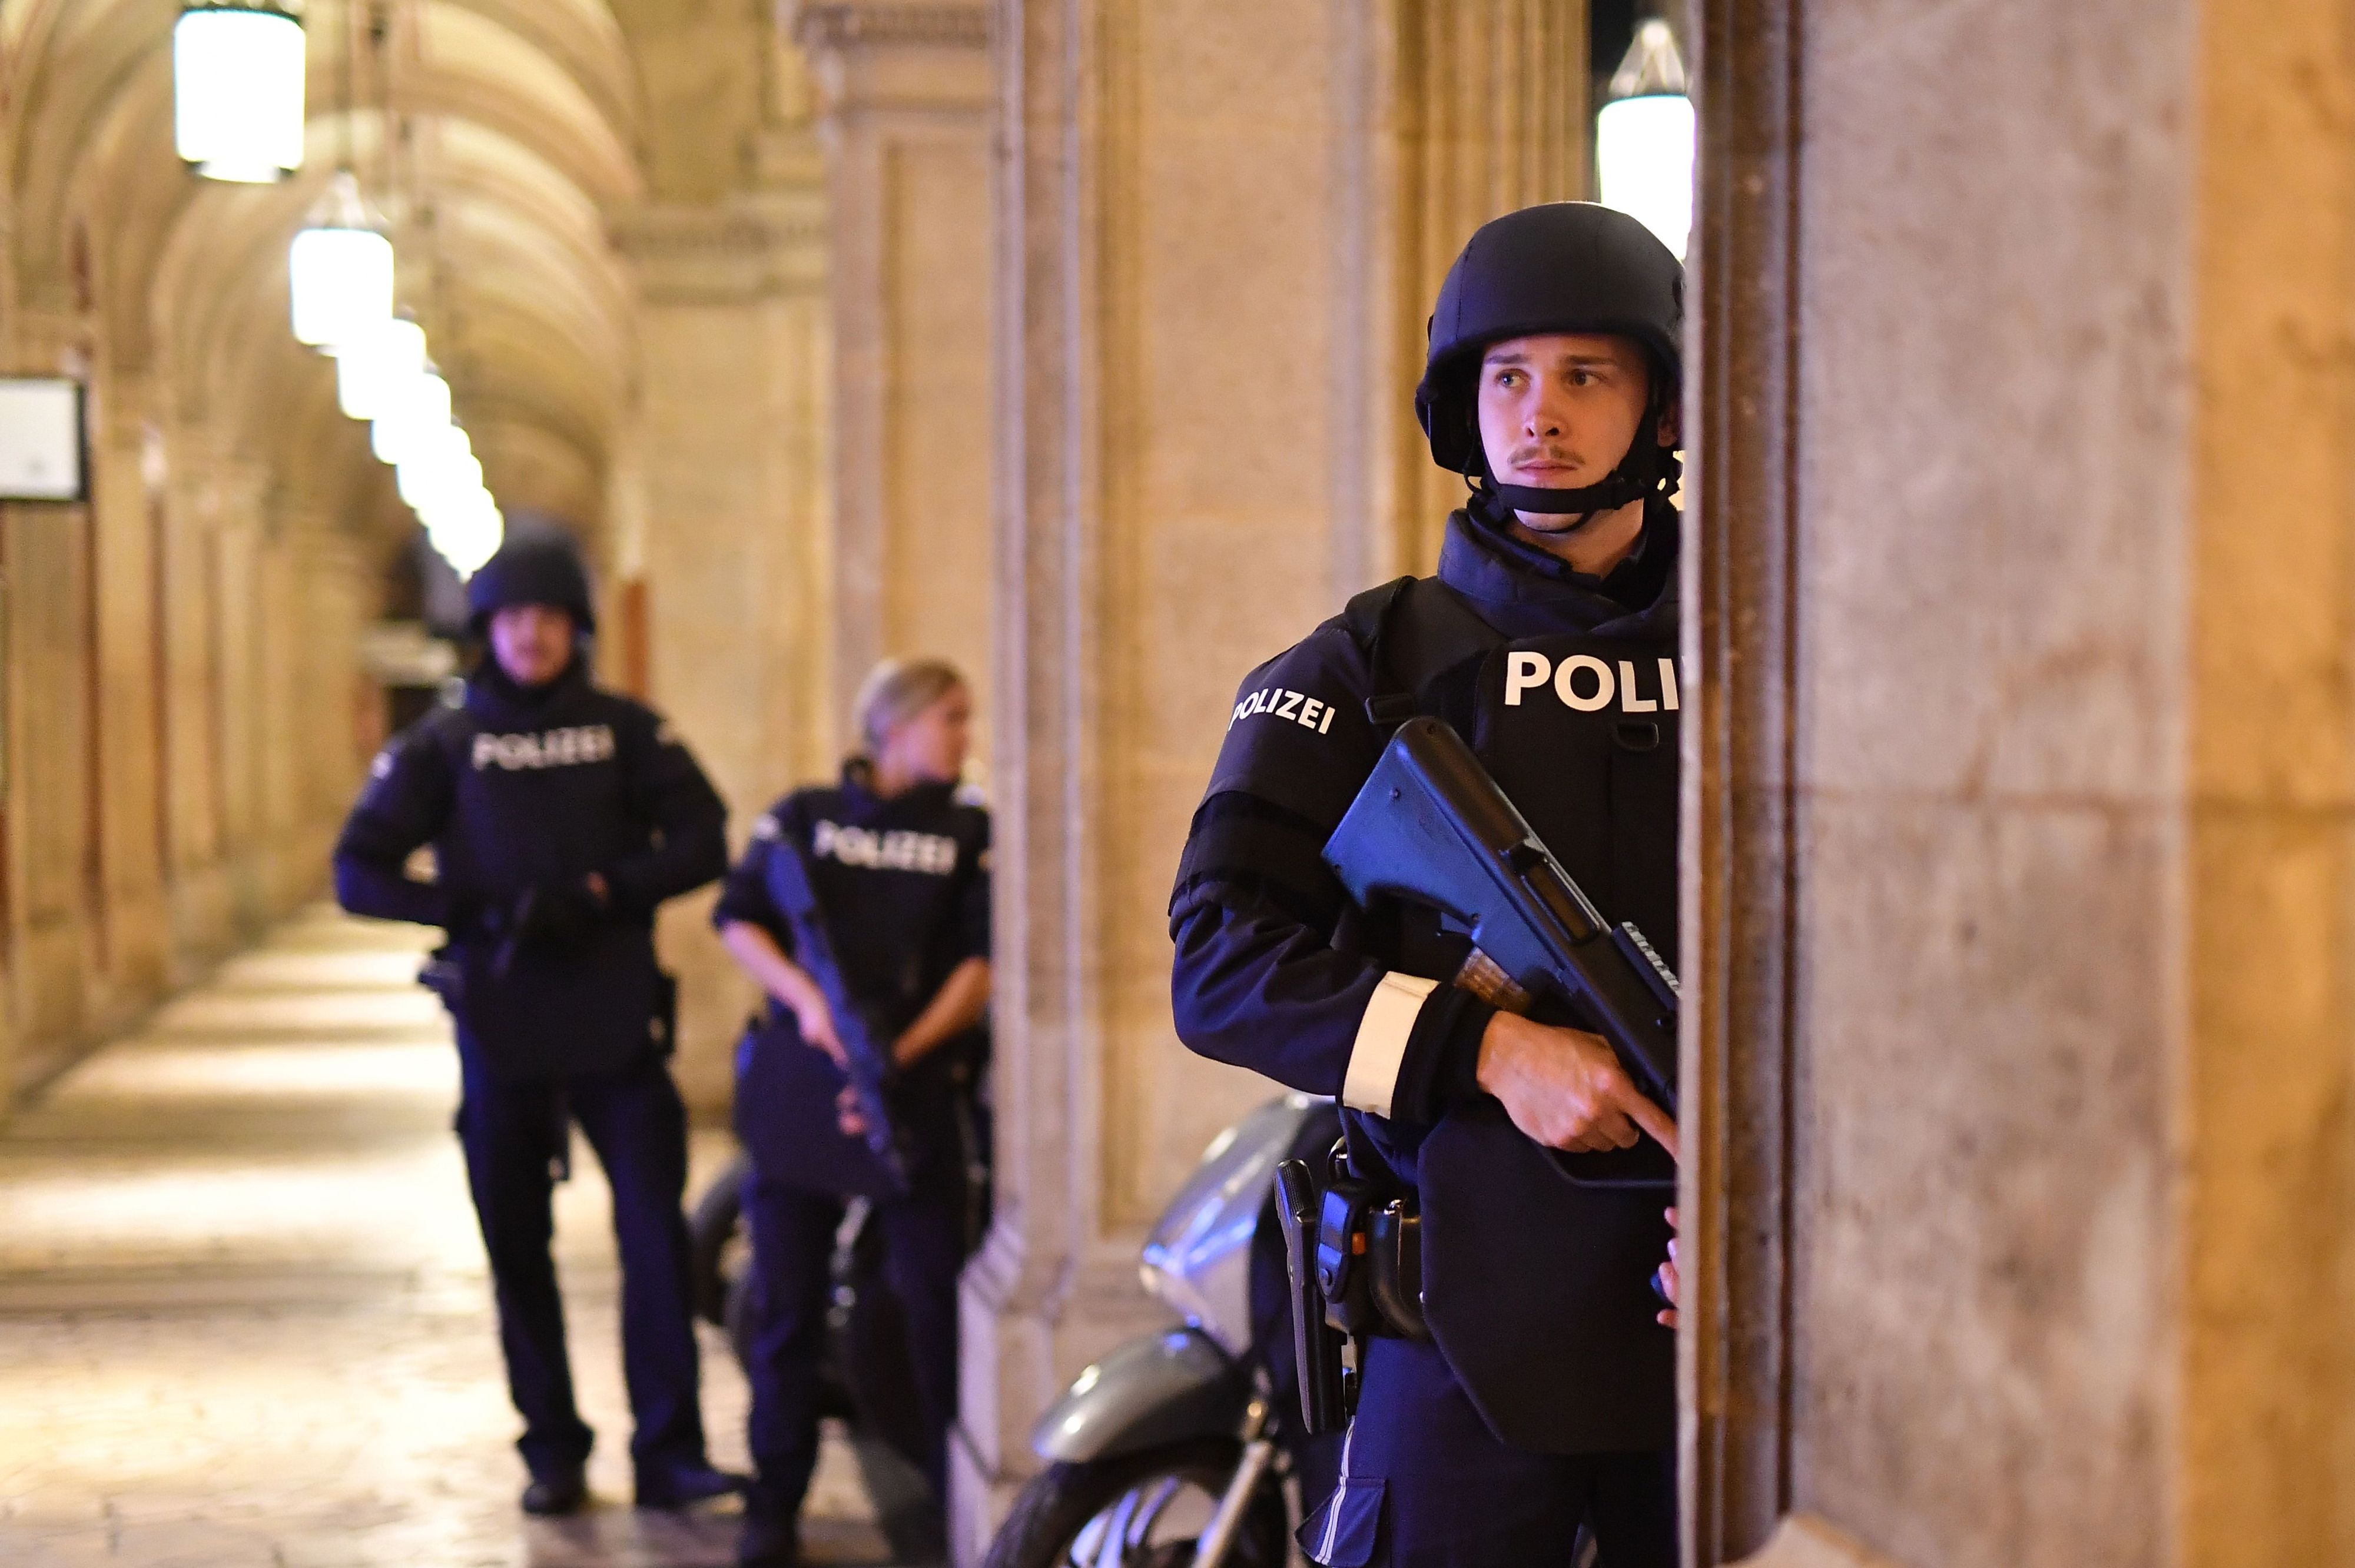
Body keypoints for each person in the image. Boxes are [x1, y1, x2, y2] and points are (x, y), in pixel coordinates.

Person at [1168, 202, 1686, 1567]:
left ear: (1661, 404)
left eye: (1587, 374)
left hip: (1727, 1329)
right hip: (1457, 1342)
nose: (1542, 415)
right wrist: (1491, 1050)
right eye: (1506, 377)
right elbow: (1218, 959)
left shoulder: (1779, 652)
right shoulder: (1366, 664)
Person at [331, 536, 739, 1517]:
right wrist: (467, 909)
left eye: (552, 618)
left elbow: (703, 837)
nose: (534, 636)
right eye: (515, 619)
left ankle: (670, 1449)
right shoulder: (444, 743)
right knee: (518, 1247)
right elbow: (360, 869)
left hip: (615, 1023)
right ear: (486, 632)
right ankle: (551, 1448)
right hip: (503, 1025)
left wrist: (605, 891)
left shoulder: (626, 729)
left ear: (577, 628)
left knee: (653, 1238)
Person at [712, 657, 991, 1568]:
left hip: (912, 1103)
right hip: (800, 1093)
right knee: (785, 1311)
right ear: (896, 725)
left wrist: (902, 1054)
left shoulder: (968, 828)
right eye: (950, 717)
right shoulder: (804, 820)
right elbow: (738, 916)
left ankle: (959, 1509)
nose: (963, 734)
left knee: (937, 1311)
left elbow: (981, 966)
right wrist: (806, 1000)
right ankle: (773, 1504)